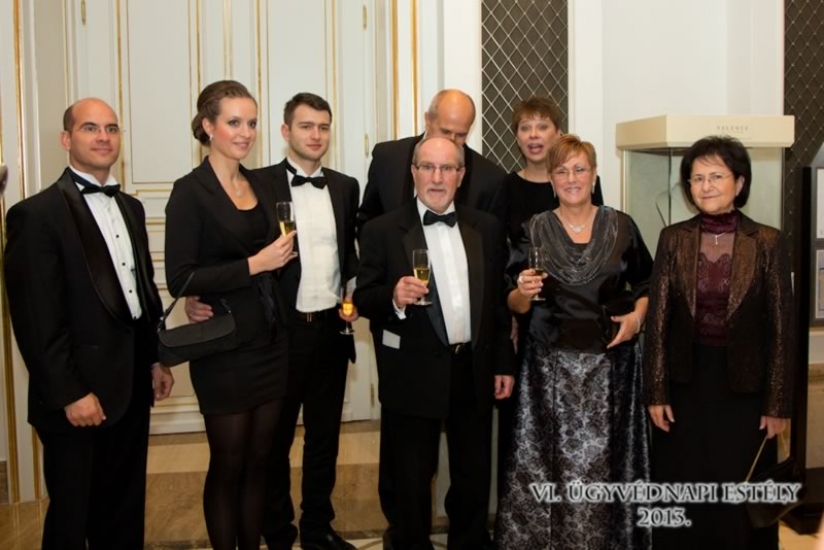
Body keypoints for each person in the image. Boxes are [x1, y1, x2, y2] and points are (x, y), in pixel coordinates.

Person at [186, 92, 360, 550]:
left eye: (323, 126)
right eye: (306, 126)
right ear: (285, 131)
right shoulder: (257, 183)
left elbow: (348, 254)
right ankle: (278, 532)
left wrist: (353, 291)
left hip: (332, 331)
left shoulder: (346, 187)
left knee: (324, 440)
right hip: (279, 332)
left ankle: (318, 529)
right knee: (272, 444)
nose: (316, 135)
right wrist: (198, 297)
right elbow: (229, 250)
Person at [4, 98, 174, 549]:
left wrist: (154, 360)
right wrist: (70, 393)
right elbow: (35, 320)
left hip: (131, 387)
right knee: (72, 517)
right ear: (66, 139)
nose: (103, 137)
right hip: (76, 396)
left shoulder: (131, 208)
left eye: (111, 129)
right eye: (90, 128)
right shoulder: (35, 215)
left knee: (123, 510)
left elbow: (141, 295)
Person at [357, 88, 507, 549]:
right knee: (411, 477)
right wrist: (393, 296)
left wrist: (502, 363)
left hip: (472, 370)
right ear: (414, 172)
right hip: (413, 370)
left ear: (461, 175)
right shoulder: (382, 230)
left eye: (447, 168)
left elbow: (497, 305)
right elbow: (363, 297)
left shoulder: (486, 228)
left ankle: (468, 543)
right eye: (427, 167)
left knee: (472, 474)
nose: (436, 178)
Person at [495, 134, 653, 549]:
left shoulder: (622, 226)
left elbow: (649, 282)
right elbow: (511, 300)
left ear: (594, 175)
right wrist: (521, 294)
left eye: (580, 169)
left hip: (612, 369)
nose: (571, 178)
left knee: (607, 466)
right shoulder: (532, 230)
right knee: (552, 467)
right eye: (561, 171)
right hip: (549, 372)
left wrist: (637, 318)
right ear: (550, 179)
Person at [643, 135, 794, 549]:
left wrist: (778, 403)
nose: (706, 186)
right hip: (685, 389)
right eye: (697, 178)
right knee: (684, 493)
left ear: (739, 182)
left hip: (746, 393)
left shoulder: (767, 241)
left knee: (739, 500)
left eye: (716, 176)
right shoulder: (673, 239)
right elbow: (657, 322)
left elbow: (781, 329)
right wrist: (656, 392)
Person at [164, 80, 295, 550]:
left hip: (270, 340)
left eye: (252, 122)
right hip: (223, 348)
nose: (245, 133)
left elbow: (279, 257)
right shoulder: (190, 191)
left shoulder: (262, 183)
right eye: (234, 122)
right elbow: (180, 278)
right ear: (208, 126)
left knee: (261, 462)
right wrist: (254, 265)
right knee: (229, 462)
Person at [504, 95, 604, 245]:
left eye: (542, 127)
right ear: (517, 139)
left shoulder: (581, 182)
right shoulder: (505, 186)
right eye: (525, 128)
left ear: (558, 134)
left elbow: (599, 236)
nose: (533, 134)